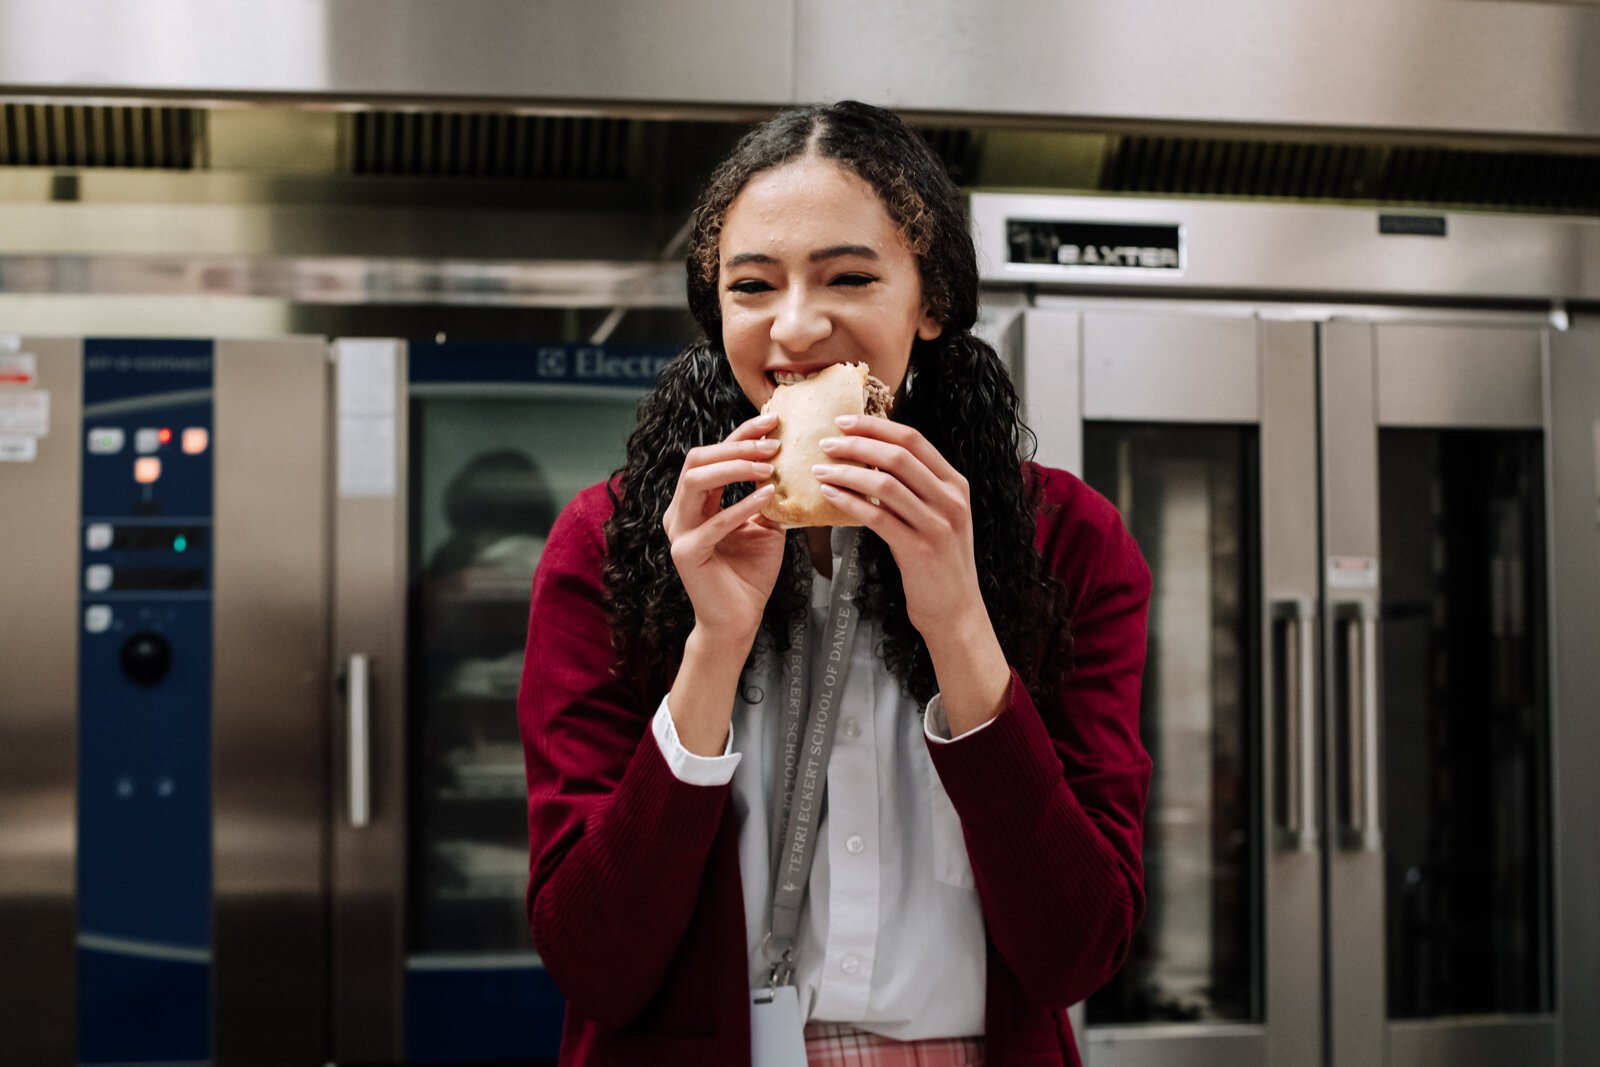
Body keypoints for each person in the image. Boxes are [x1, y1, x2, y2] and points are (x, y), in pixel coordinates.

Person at [517, 100, 1152, 1067]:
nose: (797, 327)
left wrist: (958, 624)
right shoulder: (612, 543)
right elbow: (595, 959)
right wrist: (713, 647)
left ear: (929, 300)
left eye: (849, 276)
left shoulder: (1070, 542)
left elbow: (1077, 950)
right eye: (752, 286)